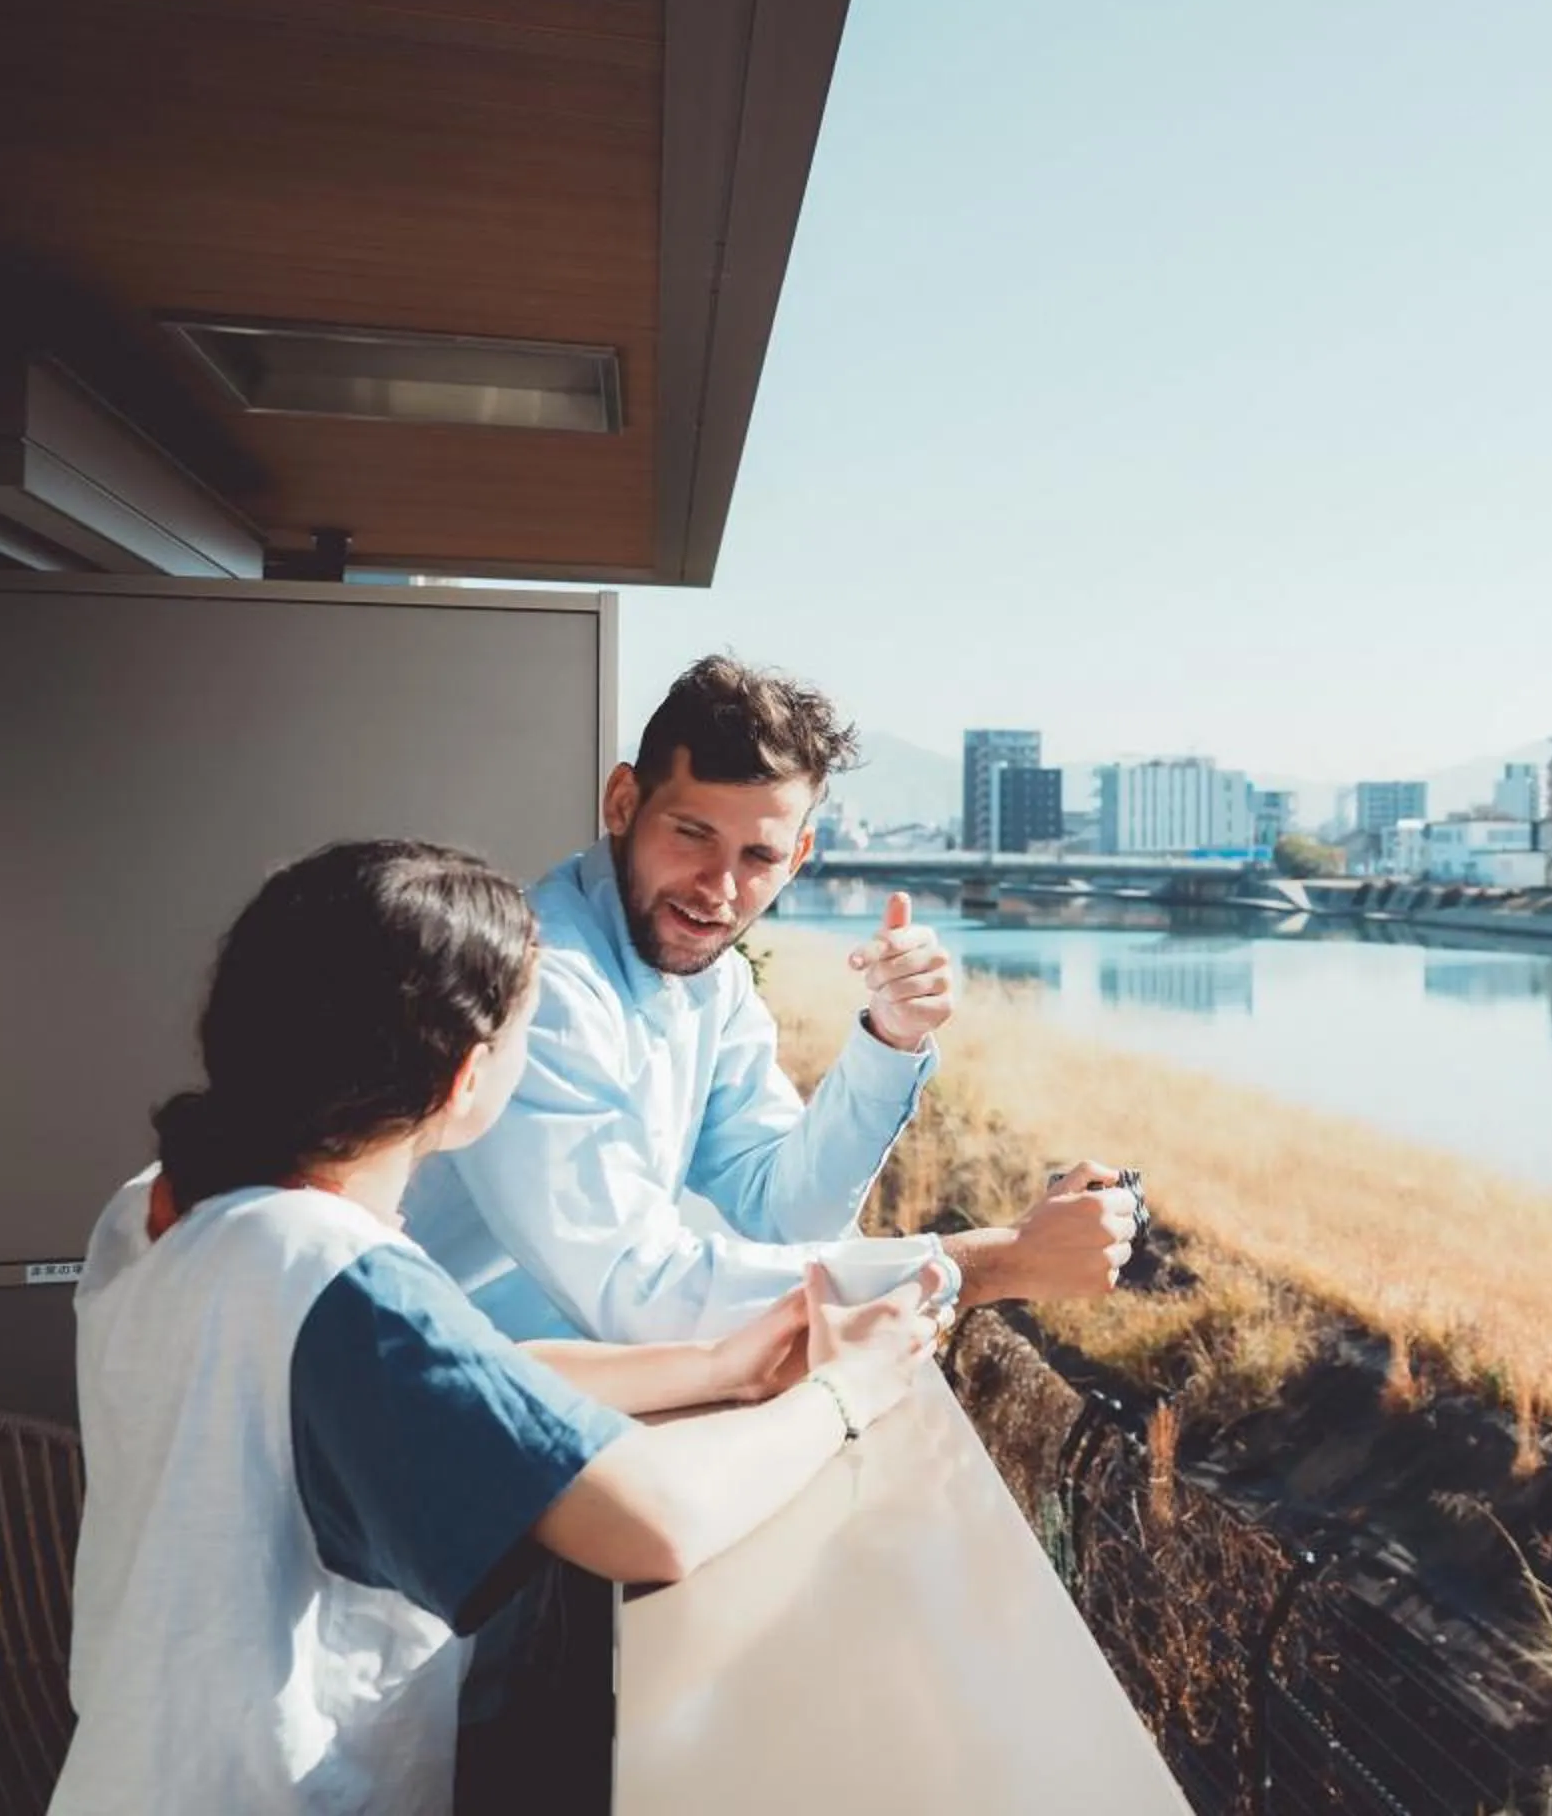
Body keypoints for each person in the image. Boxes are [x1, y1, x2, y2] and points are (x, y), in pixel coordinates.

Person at [56, 841, 946, 1816]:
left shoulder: (171, 1205)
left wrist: (711, 1363)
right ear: (468, 1080)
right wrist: (845, 1391)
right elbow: (655, 1520)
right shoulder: (333, 1271)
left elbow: (456, 1378)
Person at [402, 655, 1137, 1345]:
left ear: (801, 857)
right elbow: (635, 1288)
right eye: (693, 835)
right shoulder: (542, 980)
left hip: (547, 1386)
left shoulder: (712, 982)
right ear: (623, 802)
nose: (718, 890)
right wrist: (986, 1264)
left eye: (758, 857)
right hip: (421, 1415)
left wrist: (890, 1037)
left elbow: (787, 1214)